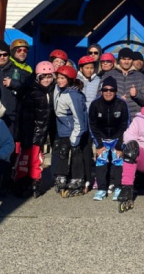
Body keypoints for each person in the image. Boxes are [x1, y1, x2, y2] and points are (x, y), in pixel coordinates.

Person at [14, 61, 54, 198]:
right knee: (26, 160)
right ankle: (23, 183)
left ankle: (34, 182)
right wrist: (26, 136)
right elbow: (26, 117)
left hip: (40, 133)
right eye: (43, 77)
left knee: (36, 160)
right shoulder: (32, 93)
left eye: (49, 76)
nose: (47, 80)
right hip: (30, 133)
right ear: (37, 78)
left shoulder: (49, 91)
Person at [88, 76, 130, 201]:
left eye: (111, 90)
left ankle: (118, 187)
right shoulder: (95, 104)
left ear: (116, 92)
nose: (108, 92)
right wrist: (99, 144)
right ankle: (101, 189)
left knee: (118, 161)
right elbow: (92, 125)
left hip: (117, 138)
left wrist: (120, 144)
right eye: (105, 90)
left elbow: (125, 125)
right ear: (101, 91)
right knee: (101, 162)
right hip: (101, 139)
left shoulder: (122, 104)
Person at [52, 65, 89, 197]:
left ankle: (77, 179)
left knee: (75, 154)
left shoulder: (73, 95)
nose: (59, 81)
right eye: (58, 78)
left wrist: (76, 136)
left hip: (73, 130)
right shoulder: (59, 89)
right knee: (62, 153)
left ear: (70, 79)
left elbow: (80, 118)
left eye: (62, 78)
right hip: (62, 130)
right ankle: (61, 176)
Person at [0, 41, 30, 130]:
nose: (2, 57)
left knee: (8, 143)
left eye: (5, 54)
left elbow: (28, 88)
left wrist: (14, 83)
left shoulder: (17, 71)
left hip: (10, 116)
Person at [102, 47, 144, 115]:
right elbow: (99, 96)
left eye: (129, 59)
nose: (126, 62)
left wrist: (136, 94)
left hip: (134, 118)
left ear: (132, 60)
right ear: (119, 60)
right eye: (124, 59)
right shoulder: (108, 75)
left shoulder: (140, 77)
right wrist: (116, 99)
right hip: (113, 116)